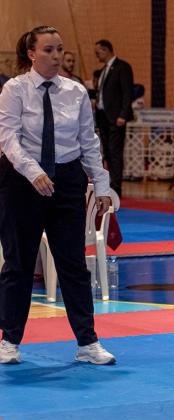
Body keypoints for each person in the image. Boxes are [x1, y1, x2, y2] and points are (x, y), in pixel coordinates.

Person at [0, 25, 116, 365]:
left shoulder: (76, 91)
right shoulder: (15, 90)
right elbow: (8, 138)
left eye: (59, 49)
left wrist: (102, 184)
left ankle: (87, 343)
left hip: (66, 180)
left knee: (74, 264)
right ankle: (9, 341)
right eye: (48, 49)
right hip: (22, 179)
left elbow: (89, 141)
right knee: (18, 263)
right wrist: (33, 172)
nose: (56, 56)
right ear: (32, 53)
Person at [94, 38, 134, 198]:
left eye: (98, 52)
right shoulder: (103, 70)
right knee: (108, 153)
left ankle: (117, 187)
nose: (97, 55)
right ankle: (110, 184)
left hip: (116, 117)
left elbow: (127, 92)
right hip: (103, 117)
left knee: (115, 152)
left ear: (106, 50)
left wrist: (123, 115)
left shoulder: (122, 67)